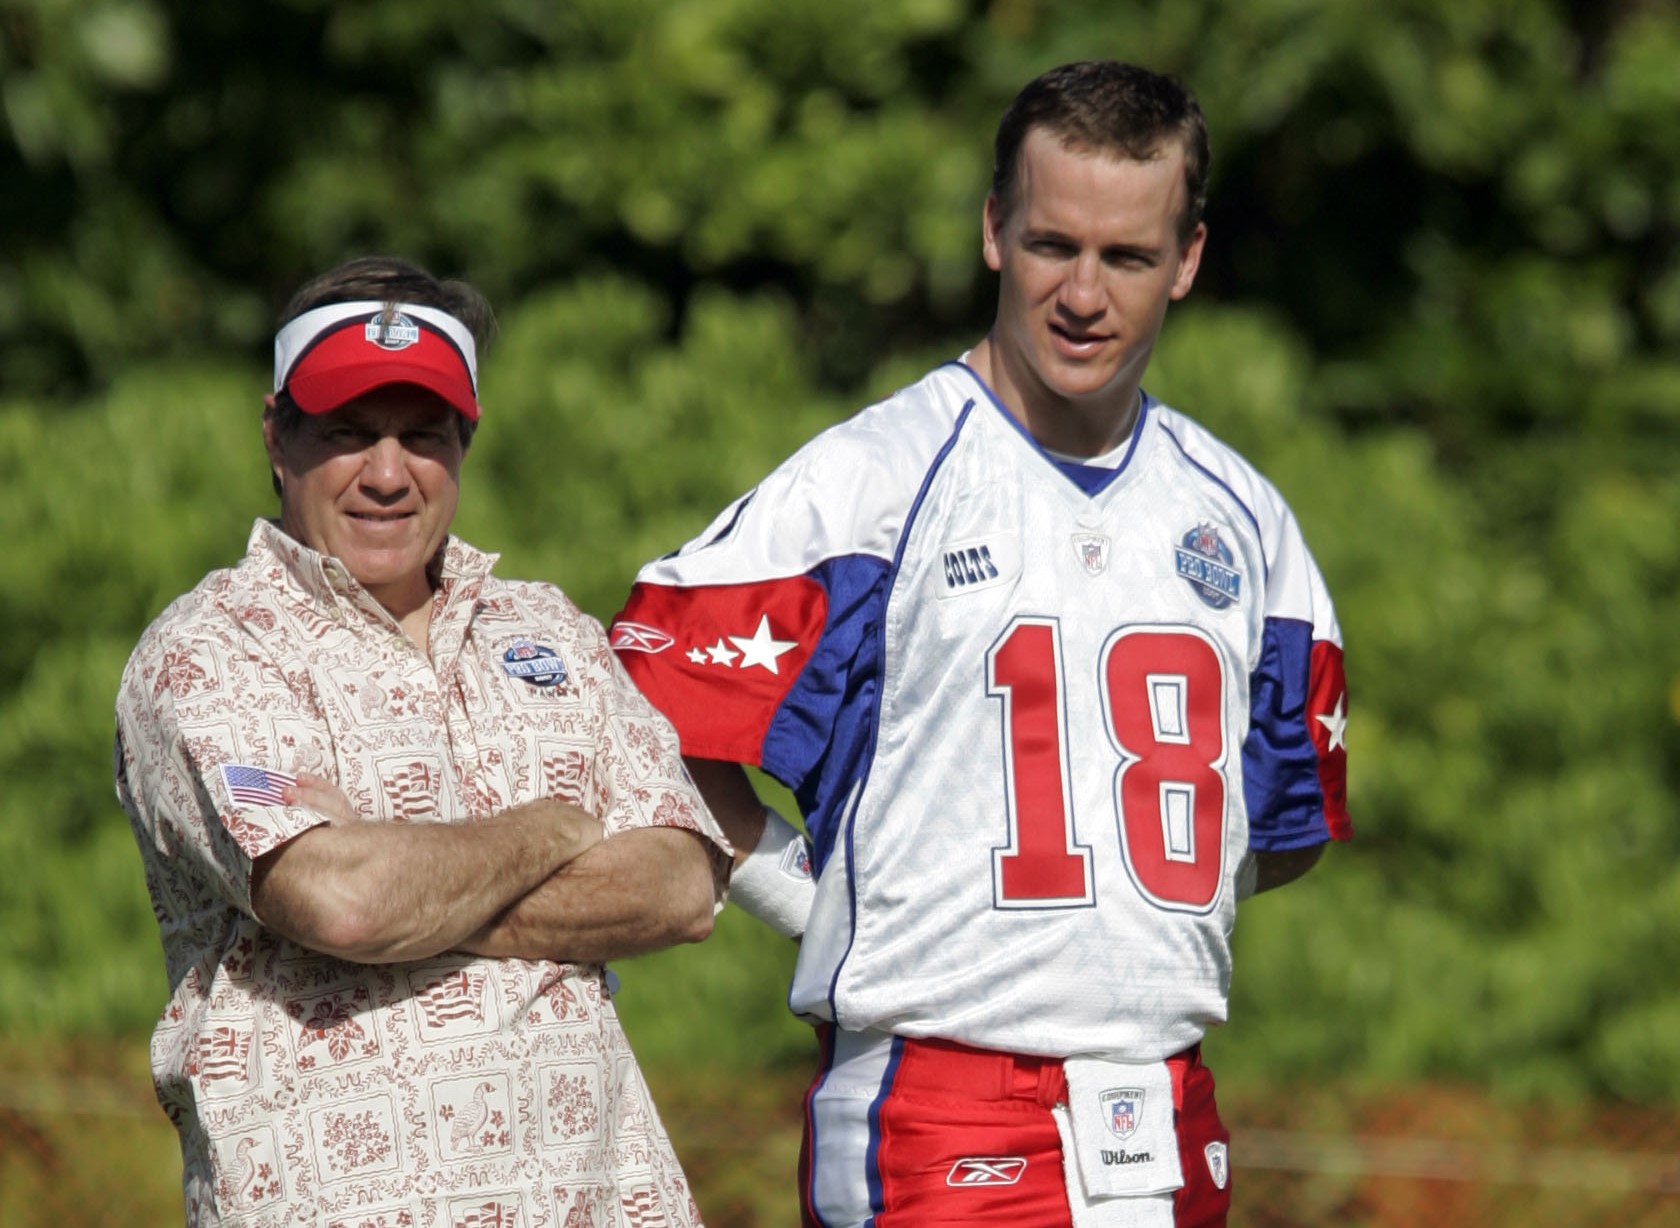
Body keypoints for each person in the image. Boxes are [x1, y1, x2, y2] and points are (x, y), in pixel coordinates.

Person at [607, 61, 1351, 1228]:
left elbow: (1287, 824)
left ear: (1190, 261)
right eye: (1054, 244)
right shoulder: (874, 480)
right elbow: (638, 713)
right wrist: (818, 895)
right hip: (939, 1102)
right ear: (994, 228)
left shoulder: (1246, 518)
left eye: (1129, 256)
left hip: (1166, 1102)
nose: (1085, 294)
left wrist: (1115, 901)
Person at [114, 256, 731, 1227]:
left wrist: (418, 884)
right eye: (349, 434)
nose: (389, 473)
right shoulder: (208, 651)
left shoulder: (551, 630)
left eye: (424, 435)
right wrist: (559, 825)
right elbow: (342, 898)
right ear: (277, 437)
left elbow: (684, 886)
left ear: (467, 440)